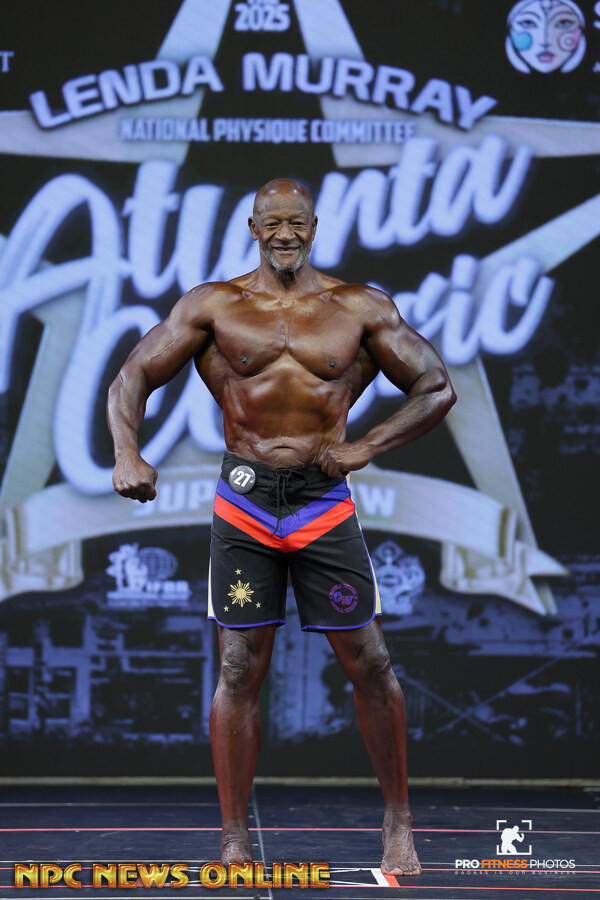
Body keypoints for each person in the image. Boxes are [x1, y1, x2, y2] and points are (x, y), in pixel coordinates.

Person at [107, 177, 456, 876]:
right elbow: (132, 377)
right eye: (274, 223)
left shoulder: (359, 308)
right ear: (253, 227)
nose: (286, 234)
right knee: (239, 668)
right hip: (245, 502)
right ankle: (234, 837)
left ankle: (398, 821)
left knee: (371, 663)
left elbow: (436, 386)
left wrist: (365, 446)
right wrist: (126, 452)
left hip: (322, 503)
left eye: (297, 222)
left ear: (315, 227)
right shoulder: (214, 305)